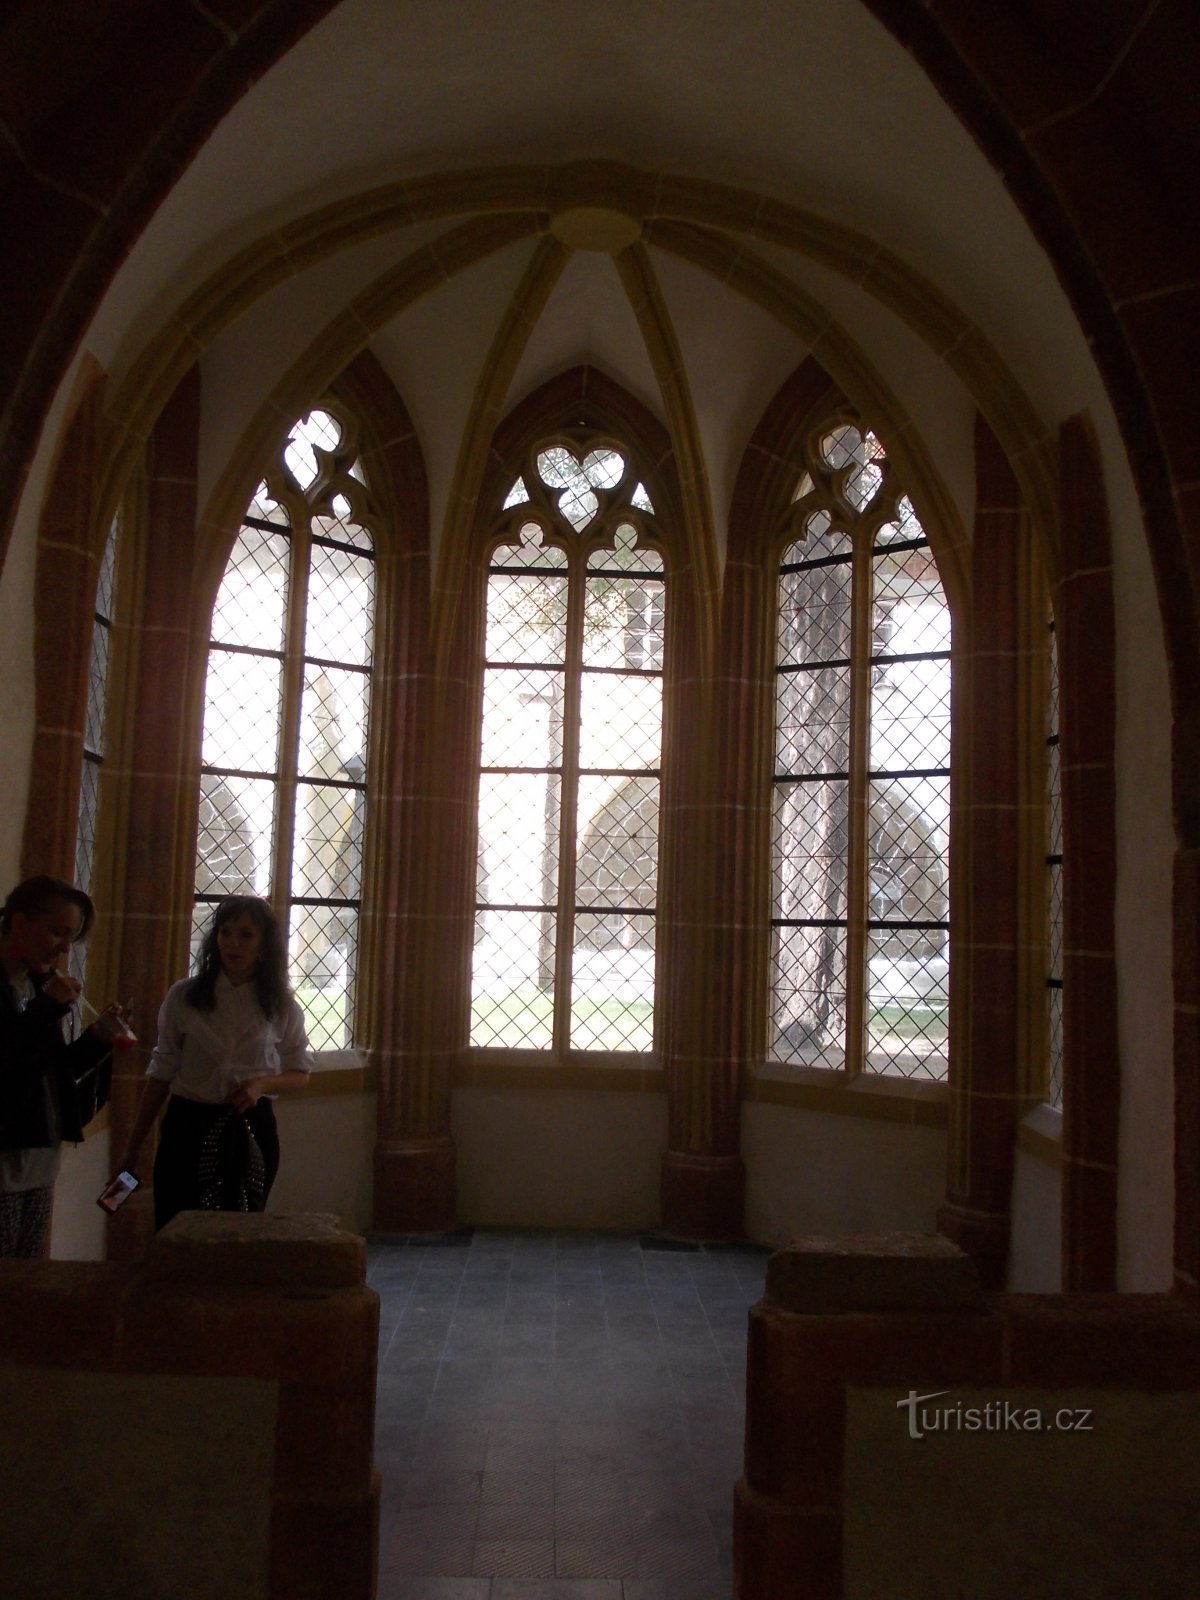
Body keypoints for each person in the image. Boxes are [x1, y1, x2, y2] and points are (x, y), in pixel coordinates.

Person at [118, 895, 310, 1229]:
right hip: (188, 1124)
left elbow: (300, 1072)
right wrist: (133, 1148)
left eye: (246, 934)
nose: (233, 943)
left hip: (249, 1126)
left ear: (264, 943)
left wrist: (260, 1085)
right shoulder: (184, 996)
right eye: (226, 932)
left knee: (240, 1232)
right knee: (176, 1224)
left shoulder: (281, 1005)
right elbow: (161, 1071)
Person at [0, 875, 129, 1258]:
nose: (62, 948)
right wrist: (48, 1009)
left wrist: (97, 1039)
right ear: (20, 923)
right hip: (4, 1159)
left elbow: (50, 1069)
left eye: (69, 937)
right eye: (56, 932)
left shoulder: (35, 984)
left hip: (38, 1161)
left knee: (29, 1280)